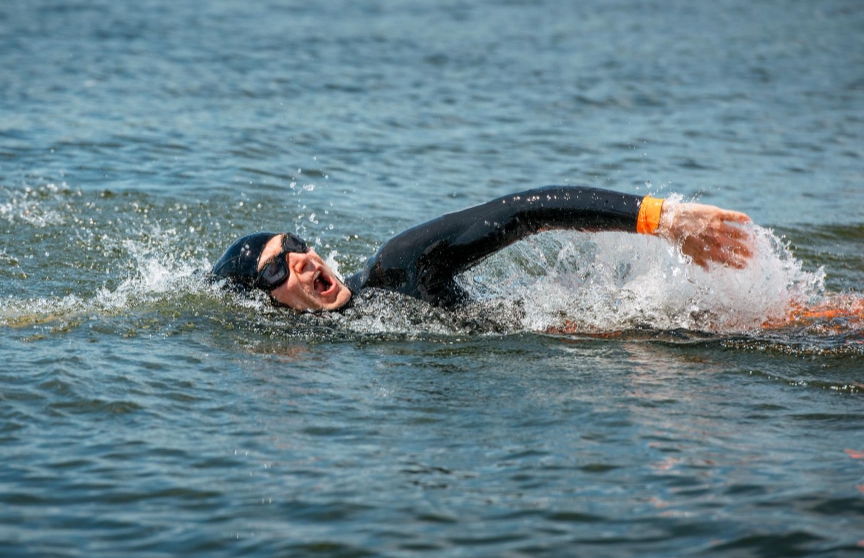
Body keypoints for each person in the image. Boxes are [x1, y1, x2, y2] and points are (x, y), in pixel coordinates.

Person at [211, 186, 753, 313]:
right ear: (266, 303)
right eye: (278, 267)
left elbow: (521, 212)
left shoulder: (396, 268)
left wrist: (663, 218)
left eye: (297, 246)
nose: (303, 260)